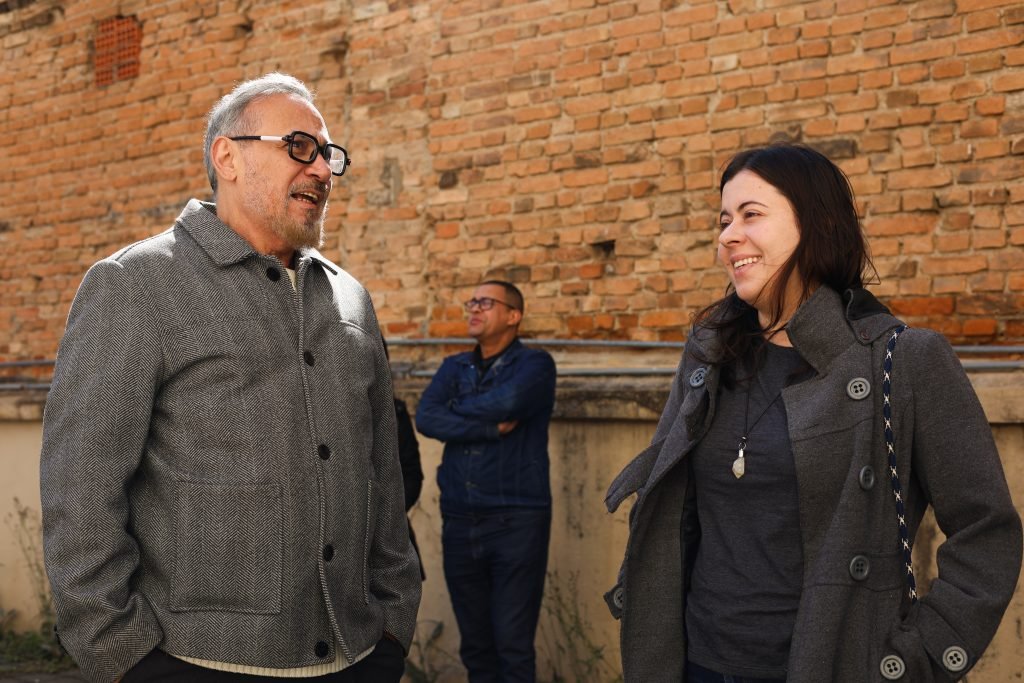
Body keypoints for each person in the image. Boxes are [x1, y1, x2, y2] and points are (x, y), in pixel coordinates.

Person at [39, 73, 421, 683]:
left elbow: (383, 470)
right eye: (300, 147)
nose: (322, 169)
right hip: (192, 662)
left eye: (328, 154)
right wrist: (126, 653)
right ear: (228, 156)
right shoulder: (137, 285)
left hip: (358, 657)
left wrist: (395, 622)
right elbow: (80, 488)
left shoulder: (351, 298)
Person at [604, 143, 1022, 682]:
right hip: (696, 661)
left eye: (752, 215)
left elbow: (986, 530)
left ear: (818, 223)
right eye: (724, 219)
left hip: (827, 665)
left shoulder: (903, 360)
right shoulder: (709, 353)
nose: (728, 235)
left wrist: (913, 660)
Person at [415, 281, 557, 683]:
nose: (473, 309)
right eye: (471, 302)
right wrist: (491, 429)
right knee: (476, 646)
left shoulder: (536, 365)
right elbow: (426, 416)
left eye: (485, 302)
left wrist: (456, 409)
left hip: (516, 520)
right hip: (460, 519)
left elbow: (511, 402)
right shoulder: (454, 366)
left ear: (513, 316)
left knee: (512, 644)